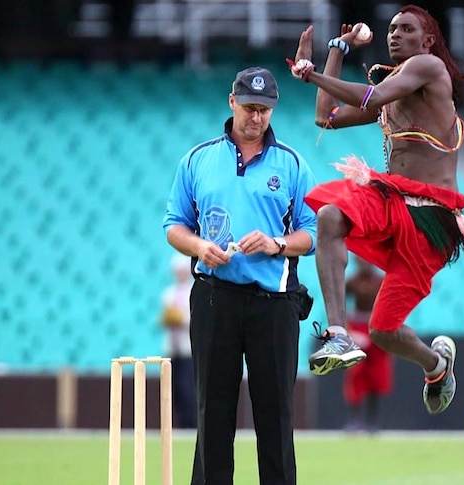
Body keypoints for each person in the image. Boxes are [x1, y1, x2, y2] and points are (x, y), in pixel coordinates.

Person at [289, 3, 464, 416]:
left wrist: (312, 73)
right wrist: (336, 48)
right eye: (392, 29)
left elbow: (371, 94)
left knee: (382, 331)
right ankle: (338, 333)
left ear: (427, 41)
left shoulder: (428, 67)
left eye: (406, 29)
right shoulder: (397, 87)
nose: (395, 35)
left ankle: (436, 364)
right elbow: (326, 117)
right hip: (392, 199)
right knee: (330, 214)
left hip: (431, 218)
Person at [163, 66, 318, 485]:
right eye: (250, 108)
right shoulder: (197, 159)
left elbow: (312, 232)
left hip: (275, 302)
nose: (257, 117)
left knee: (275, 418)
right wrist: (199, 247)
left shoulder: (292, 163)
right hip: (215, 298)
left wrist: (276, 244)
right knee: (213, 413)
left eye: (265, 110)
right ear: (232, 102)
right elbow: (174, 224)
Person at [342, 256, 392, 433]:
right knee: (356, 375)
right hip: (358, 328)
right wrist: (349, 331)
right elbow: (341, 306)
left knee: (377, 376)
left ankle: (373, 422)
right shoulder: (352, 282)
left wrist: (387, 331)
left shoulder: (381, 282)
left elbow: (391, 306)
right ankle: (354, 420)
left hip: (377, 327)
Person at [159, 254, 198, 429]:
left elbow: (196, 319)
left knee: (188, 387)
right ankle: (180, 422)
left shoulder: (193, 291)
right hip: (173, 348)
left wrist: (180, 319)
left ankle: (192, 424)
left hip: (188, 348)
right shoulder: (169, 293)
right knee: (175, 388)